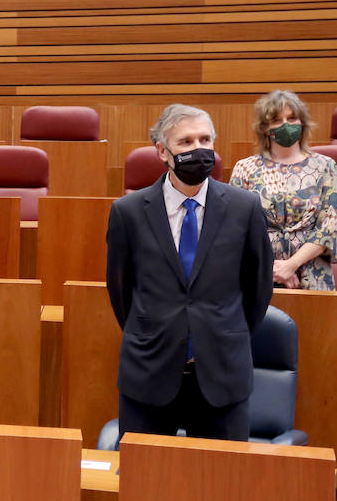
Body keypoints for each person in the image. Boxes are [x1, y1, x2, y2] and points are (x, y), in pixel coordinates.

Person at [105, 104, 273, 442]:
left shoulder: (245, 207)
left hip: (222, 373)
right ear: (162, 152)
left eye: (205, 139)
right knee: (146, 485)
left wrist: (222, 330)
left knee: (223, 488)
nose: (198, 149)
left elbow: (258, 288)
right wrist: (157, 330)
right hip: (149, 372)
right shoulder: (129, 212)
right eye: (185, 142)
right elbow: (121, 290)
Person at [229, 90, 337, 291]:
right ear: (265, 128)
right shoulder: (245, 169)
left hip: (312, 272)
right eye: (276, 121)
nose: (286, 125)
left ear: (302, 123)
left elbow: (328, 227)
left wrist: (291, 265)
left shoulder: (325, 166)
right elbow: (235, 229)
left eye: (291, 118)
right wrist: (271, 270)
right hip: (258, 272)